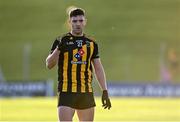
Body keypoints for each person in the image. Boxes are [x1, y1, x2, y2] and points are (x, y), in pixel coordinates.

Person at [46, 7, 111, 121]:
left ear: (85, 22)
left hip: (85, 92)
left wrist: (104, 90)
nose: (78, 24)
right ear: (69, 22)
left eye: (80, 21)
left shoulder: (91, 43)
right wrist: (59, 48)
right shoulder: (61, 40)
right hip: (66, 91)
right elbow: (49, 64)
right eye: (74, 21)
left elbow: (98, 68)